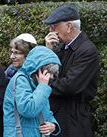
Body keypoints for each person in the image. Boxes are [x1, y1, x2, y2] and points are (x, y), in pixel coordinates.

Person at [43, 5, 100, 137]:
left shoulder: (87, 51)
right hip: (59, 115)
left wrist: (43, 84)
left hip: (73, 120)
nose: (51, 32)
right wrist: (48, 51)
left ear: (68, 27)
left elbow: (70, 86)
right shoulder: (63, 48)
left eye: (54, 27)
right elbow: (49, 72)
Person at [3, 46, 61, 137]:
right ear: (38, 69)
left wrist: (53, 125)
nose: (51, 77)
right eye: (49, 72)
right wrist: (42, 87)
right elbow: (28, 110)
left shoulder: (38, 83)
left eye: (53, 74)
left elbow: (45, 111)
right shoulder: (21, 80)